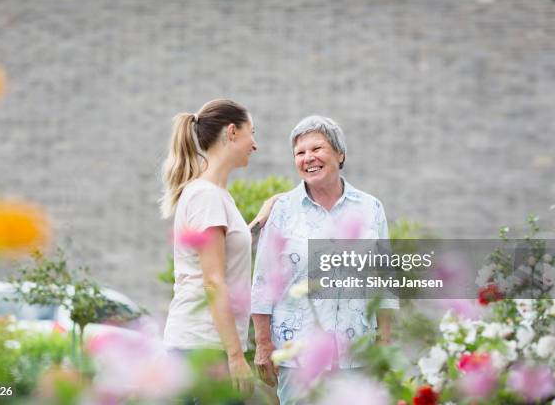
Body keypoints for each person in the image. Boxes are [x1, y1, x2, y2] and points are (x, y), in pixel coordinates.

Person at [250, 115, 399, 404]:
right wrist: (263, 344)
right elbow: (263, 281)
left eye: (317, 149)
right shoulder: (282, 210)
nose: (308, 158)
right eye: (300, 153)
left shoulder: (370, 208)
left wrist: (385, 341)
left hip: (357, 355)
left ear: (340, 154)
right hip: (299, 357)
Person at [160, 99, 277, 400]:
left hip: (204, 345)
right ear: (232, 132)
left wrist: (258, 222)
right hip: (203, 347)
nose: (256, 145)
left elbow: (222, 254)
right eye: (253, 132)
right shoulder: (206, 196)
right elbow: (213, 281)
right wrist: (236, 357)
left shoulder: (213, 195)